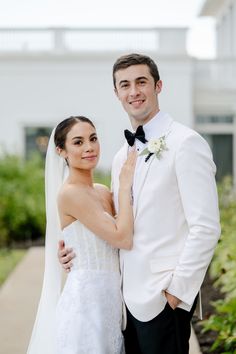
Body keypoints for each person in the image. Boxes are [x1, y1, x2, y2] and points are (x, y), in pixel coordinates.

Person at [58, 54, 221, 354]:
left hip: (163, 300)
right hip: (122, 305)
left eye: (141, 82)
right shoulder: (122, 156)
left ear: (158, 85)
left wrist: (176, 292)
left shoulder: (186, 143)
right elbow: (116, 223)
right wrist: (74, 251)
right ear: (117, 93)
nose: (133, 91)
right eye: (125, 85)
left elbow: (206, 227)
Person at [27, 116, 137, 354]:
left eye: (93, 139)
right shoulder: (70, 194)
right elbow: (122, 238)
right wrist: (125, 186)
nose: (89, 147)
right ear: (61, 151)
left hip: (113, 302)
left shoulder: (102, 191)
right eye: (78, 142)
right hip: (87, 303)